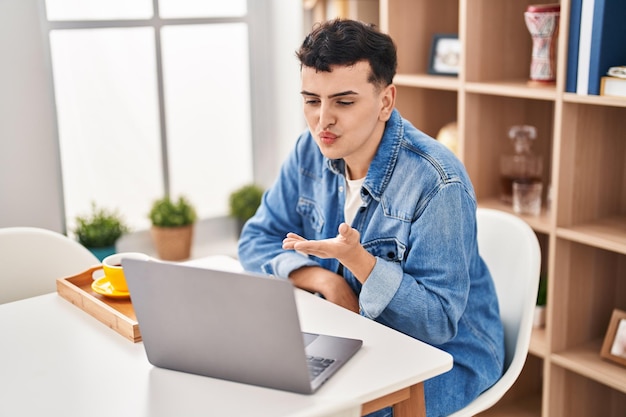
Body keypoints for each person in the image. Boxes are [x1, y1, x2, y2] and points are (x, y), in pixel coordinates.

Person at [238, 18, 504, 417]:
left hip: (444, 355)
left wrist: (360, 263)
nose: (322, 121)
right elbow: (255, 239)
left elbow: (437, 322)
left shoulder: (438, 183)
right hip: (356, 338)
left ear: (386, 101)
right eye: (312, 100)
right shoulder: (308, 152)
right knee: (251, 382)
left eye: (343, 102)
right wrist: (321, 277)